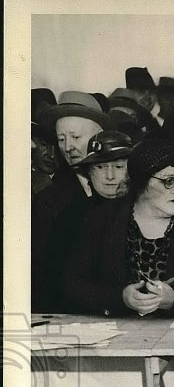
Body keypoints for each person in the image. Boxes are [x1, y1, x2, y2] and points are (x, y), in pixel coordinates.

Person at [61, 138, 174, 317]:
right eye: (169, 181)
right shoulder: (102, 219)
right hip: (115, 333)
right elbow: (72, 286)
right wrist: (120, 298)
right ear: (142, 181)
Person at [32, 92, 111, 310]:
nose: (68, 147)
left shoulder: (126, 188)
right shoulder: (47, 202)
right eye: (61, 139)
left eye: (76, 137)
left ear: (100, 136)